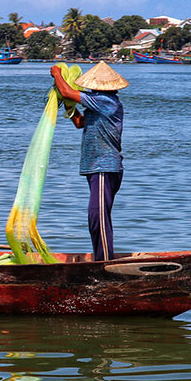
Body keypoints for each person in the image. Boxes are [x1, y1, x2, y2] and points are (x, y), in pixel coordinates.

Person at [50, 62, 128, 261]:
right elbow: (79, 122)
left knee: (98, 217)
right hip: (95, 167)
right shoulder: (96, 104)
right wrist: (70, 109)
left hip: (105, 167)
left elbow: (67, 91)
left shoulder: (106, 101)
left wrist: (57, 73)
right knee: (96, 216)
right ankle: (100, 257)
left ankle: (103, 262)